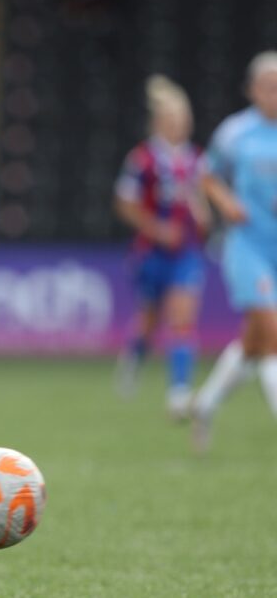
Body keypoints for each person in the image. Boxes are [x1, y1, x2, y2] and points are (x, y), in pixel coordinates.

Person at [191, 51, 277, 453]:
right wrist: (225, 204)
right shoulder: (236, 131)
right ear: (252, 89)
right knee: (272, 333)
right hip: (247, 245)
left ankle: (205, 404)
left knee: (255, 341)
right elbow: (206, 174)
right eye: (268, 85)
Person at [111, 75, 210, 418]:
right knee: (150, 322)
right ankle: (134, 358)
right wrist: (156, 229)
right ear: (158, 122)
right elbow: (124, 204)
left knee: (182, 319)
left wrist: (204, 219)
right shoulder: (143, 159)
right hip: (151, 254)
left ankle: (179, 394)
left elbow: (203, 205)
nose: (178, 126)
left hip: (187, 253)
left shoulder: (197, 160)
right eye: (171, 120)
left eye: (183, 120)